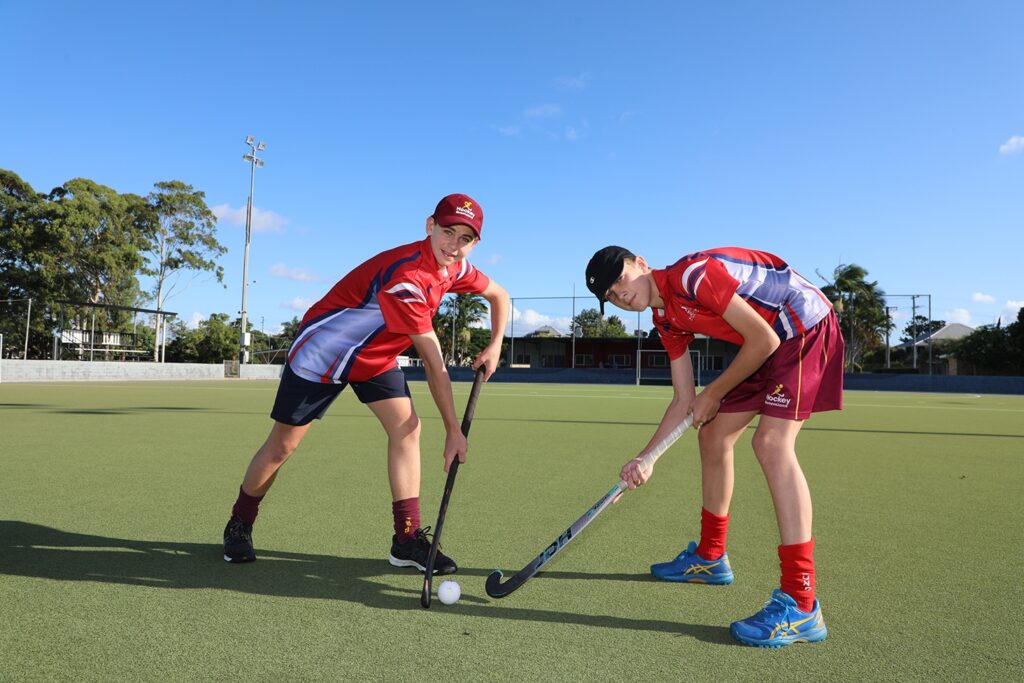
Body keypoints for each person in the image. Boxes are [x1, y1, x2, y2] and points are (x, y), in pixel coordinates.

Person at [223, 193, 509, 576]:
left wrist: (494, 344)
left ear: (475, 243)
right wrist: (454, 431)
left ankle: (406, 540)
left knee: (407, 428)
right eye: (447, 232)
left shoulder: (455, 268)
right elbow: (434, 362)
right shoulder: (407, 278)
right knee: (282, 446)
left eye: (464, 238)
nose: (454, 245)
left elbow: (499, 295)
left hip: (375, 356)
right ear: (429, 226)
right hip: (323, 353)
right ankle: (240, 521)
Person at [585, 245, 843, 648]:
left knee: (771, 443)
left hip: (802, 327)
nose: (620, 294)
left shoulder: (692, 276)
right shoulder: (664, 319)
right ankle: (710, 557)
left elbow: (764, 338)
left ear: (641, 264)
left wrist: (715, 392)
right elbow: (683, 398)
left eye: (620, 279)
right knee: (714, 434)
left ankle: (802, 601)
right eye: (611, 296)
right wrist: (645, 457)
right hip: (766, 344)